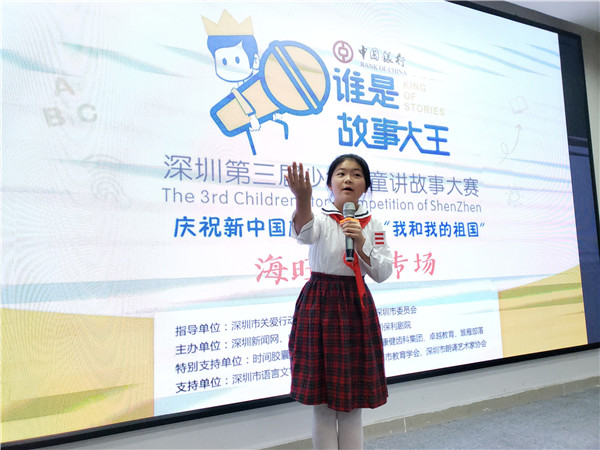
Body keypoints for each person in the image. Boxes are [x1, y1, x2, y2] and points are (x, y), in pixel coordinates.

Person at [285, 154, 393, 450]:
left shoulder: (374, 223)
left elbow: (382, 272)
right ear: (330, 183)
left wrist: (361, 242)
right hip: (320, 304)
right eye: (341, 173)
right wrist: (302, 200)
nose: (348, 179)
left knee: (352, 403)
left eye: (357, 175)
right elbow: (304, 235)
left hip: (356, 305)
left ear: (366, 186)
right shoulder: (320, 217)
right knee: (322, 404)